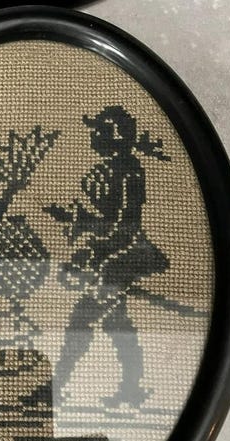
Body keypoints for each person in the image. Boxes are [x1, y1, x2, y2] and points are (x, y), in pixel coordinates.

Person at [42, 106, 170, 409]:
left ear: (114, 136)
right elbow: (109, 221)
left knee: (82, 319)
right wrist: (78, 220)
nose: (93, 136)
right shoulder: (113, 168)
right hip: (112, 256)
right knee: (117, 323)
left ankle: (57, 387)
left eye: (99, 131)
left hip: (125, 257)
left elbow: (126, 227)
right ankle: (132, 387)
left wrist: (92, 251)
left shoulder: (129, 171)